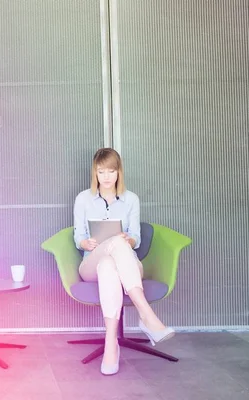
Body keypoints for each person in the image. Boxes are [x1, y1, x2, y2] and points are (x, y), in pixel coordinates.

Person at [73, 148, 175, 376]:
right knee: (111, 248)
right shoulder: (83, 199)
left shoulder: (131, 199)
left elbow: (136, 237)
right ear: (95, 173)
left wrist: (129, 239)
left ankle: (111, 345)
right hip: (91, 264)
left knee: (112, 260)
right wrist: (85, 243)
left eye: (111, 171)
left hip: (125, 264)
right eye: (101, 172)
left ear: (119, 172)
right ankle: (147, 316)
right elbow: (77, 235)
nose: (106, 177)